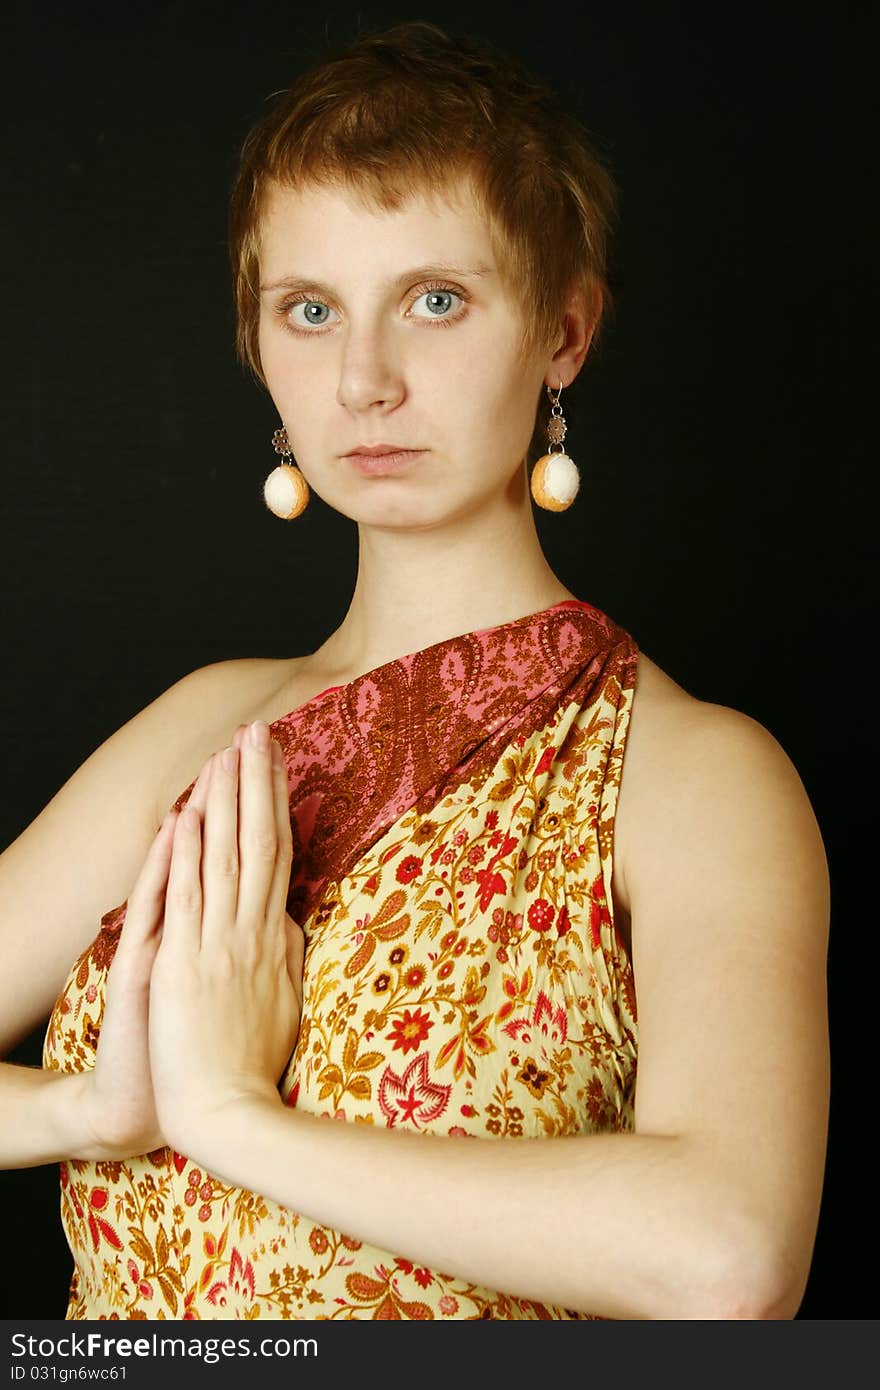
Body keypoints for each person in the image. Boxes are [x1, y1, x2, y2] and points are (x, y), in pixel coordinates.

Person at [0, 21, 829, 1321]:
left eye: (435, 300)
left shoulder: (689, 771)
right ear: (259, 346)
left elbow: (730, 1259)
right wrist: (84, 1106)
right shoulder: (201, 727)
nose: (365, 379)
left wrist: (230, 1115)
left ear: (564, 332)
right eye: (310, 310)